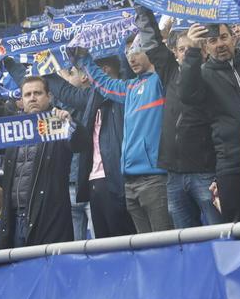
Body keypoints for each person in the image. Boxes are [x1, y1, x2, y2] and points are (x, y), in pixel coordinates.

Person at [72, 40, 174, 234]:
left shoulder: (161, 80)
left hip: (155, 178)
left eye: (137, 50)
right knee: (145, 249)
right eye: (127, 53)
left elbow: (163, 55)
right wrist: (84, 57)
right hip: (129, 180)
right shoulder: (129, 88)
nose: (131, 57)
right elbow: (104, 83)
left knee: (165, 243)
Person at [136, 9, 220, 228]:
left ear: (203, 51)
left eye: (190, 48)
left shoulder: (212, 73)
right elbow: (152, 43)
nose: (185, 53)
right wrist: (142, 7)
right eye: (181, 49)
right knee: (185, 242)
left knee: (219, 233)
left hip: (205, 172)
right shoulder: (170, 72)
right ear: (174, 52)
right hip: (174, 175)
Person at [179, 23, 240, 221]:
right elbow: (187, 94)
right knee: (239, 233)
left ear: (233, 38)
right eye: (212, 40)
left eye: (224, 37)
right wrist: (191, 51)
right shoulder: (201, 74)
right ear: (205, 47)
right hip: (232, 165)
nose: (220, 44)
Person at [0, 76, 87, 248]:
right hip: (14, 217)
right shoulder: (12, 129)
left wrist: (70, 123)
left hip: (48, 217)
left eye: (37, 93)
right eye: (27, 94)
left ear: (49, 96)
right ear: (21, 100)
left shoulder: (60, 124)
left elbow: (81, 143)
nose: (32, 98)